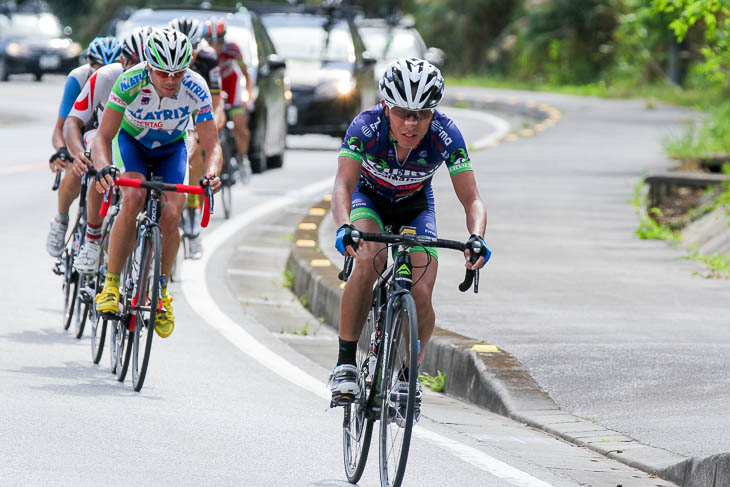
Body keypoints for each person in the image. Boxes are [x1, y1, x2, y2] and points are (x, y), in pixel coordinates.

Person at [328, 58, 490, 412]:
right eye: (403, 112)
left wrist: (476, 237)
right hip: (368, 200)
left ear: (434, 113)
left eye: (422, 114)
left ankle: (407, 376)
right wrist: (345, 228)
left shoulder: (446, 134)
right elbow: (343, 184)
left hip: (415, 206)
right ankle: (345, 363)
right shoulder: (365, 127)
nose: (411, 123)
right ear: (387, 106)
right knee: (368, 259)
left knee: (421, 289)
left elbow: (473, 198)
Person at [91, 28, 222, 338]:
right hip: (131, 142)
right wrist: (104, 167)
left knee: (173, 211)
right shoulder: (129, 82)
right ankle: (111, 284)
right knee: (134, 196)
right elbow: (104, 136)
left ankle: (161, 290)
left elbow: (212, 145)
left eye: (178, 73)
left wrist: (212, 173)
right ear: (148, 66)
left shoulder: (196, 87)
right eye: (163, 72)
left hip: (172, 147)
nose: (170, 80)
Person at [64, 27, 151, 275]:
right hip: (103, 131)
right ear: (123, 62)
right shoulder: (105, 77)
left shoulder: (160, 81)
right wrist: (78, 151)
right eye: (135, 63)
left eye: (147, 64)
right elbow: (73, 121)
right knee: (99, 167)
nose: (142, 71)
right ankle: (92, 239)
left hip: (136, 140)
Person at [46, 36, 122, 257]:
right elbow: (61, 128)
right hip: (83, 130)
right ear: (89, 64)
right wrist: (63, 151)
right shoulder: (77, 79)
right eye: (99, 67)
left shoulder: (123, 79)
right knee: (75, 168)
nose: (104, 72)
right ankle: (61, 220)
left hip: (110, 134)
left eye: (110, 66)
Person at [169, 16, 224, 259]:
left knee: (200, 145)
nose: (189, 56)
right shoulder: (164, 57)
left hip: (199, 108)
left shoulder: (209, 59)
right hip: (170, 111)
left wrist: (213, 123)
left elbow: (216, 101)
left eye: (193, 49)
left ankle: (191, 207)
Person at [204, 18, 254, 174]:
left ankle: (242, 158)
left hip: (232, 92)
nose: (214, 46)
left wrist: (249, 96)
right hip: (213, 92)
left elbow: (246, 74)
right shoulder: (202, 53)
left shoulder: (233, 50)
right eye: (210, 42)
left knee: (241, 127)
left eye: (218, 42)